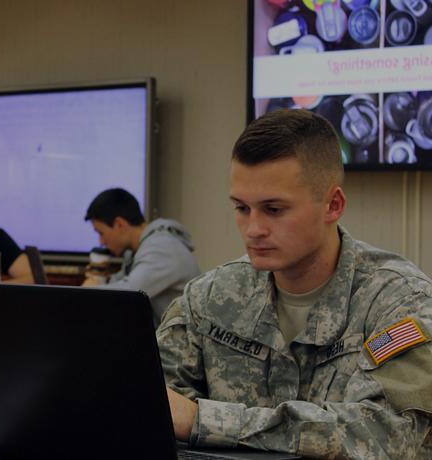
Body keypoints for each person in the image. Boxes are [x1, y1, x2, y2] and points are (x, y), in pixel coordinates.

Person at [158, 109, 432, 458]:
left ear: (333, 205)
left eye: (274, 209)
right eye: (242, 208)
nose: (253, 229)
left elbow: (386, 434)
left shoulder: (401, 302)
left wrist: (204, 420)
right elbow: (151, 408)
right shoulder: (208, 298)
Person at [83, 188, 200, 326]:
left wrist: (86, 293)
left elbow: (128, 294)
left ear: (119, 224)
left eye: (101, 233)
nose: (101, 242)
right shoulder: (136, 251)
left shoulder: (163, 248)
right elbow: (116, 285)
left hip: (185, 343)